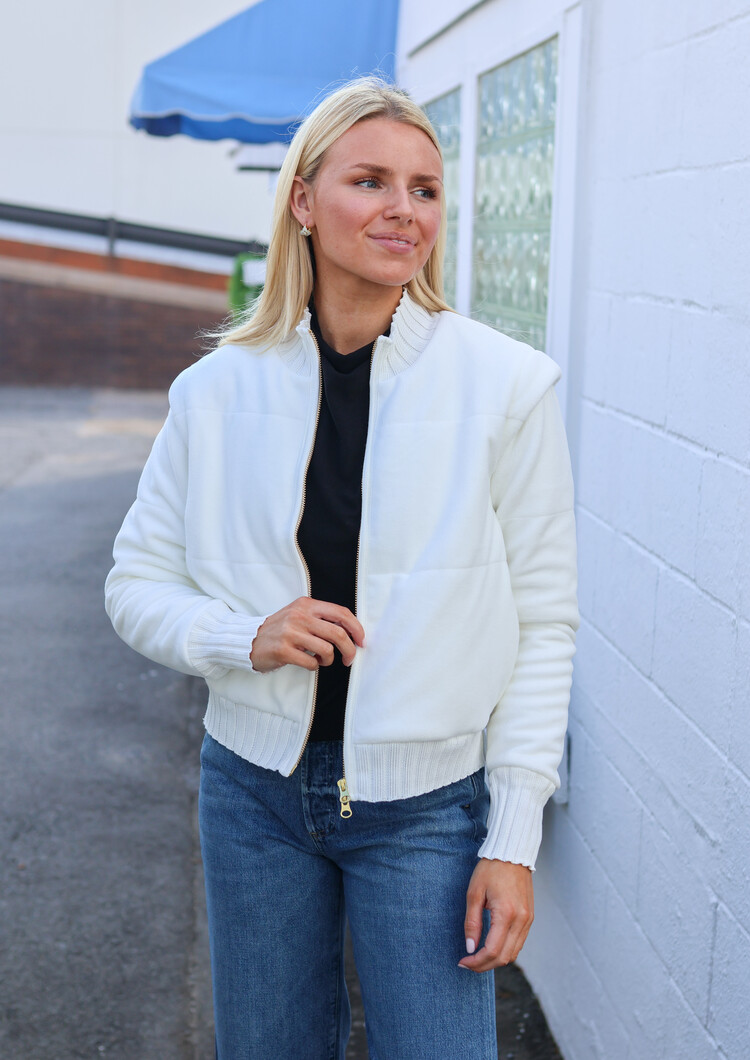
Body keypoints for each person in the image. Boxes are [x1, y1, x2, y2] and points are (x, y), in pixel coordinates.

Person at [105, 76, 578, 1060]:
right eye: (370, 181)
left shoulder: (507, 387)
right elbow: (134, 584)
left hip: (428, 810)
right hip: (251, 796)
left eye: (425, 189)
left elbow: (544, 621)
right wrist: (242, 634)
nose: (404, 210)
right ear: (303, 202)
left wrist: (513, 838)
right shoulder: (213, 392)